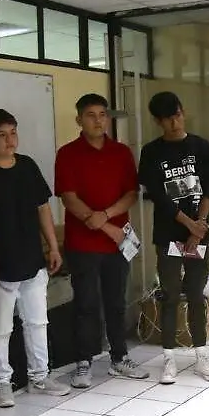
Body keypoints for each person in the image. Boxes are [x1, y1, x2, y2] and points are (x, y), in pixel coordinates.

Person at [0, 109, 70, 407]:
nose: (10, 141)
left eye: (13, 133)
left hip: (32, 262)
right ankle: (1, 383)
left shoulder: (27, 166)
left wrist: (53, 246)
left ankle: (39, 377)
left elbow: (43, 208)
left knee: (37, 322)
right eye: (1, 135)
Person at [55, 94, 147, 387]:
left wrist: (105, 216)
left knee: (116, 302)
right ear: (79, 120)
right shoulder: (68, 153)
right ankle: (83, 362)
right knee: (86, 303)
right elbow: (69, 198)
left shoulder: (121, 152)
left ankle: (119, 358)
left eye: (102, 115)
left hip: (118, 244)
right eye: (91, 115)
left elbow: (131, 194)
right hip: (82, 244)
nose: (98, 120)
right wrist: (105, 225)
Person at [139, 92, 209, 384]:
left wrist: (198, 226)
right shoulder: (151, 152)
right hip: (169, 235)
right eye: (167, 119)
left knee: (197, 294)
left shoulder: (200, 146)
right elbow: (159, 198)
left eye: (176, 115)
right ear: (157, 121)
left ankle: (201, 356)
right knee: (170, 295)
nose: (174, 123)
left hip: (200, 232)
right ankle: (169, 358)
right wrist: (189, 225)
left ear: (182, 112)